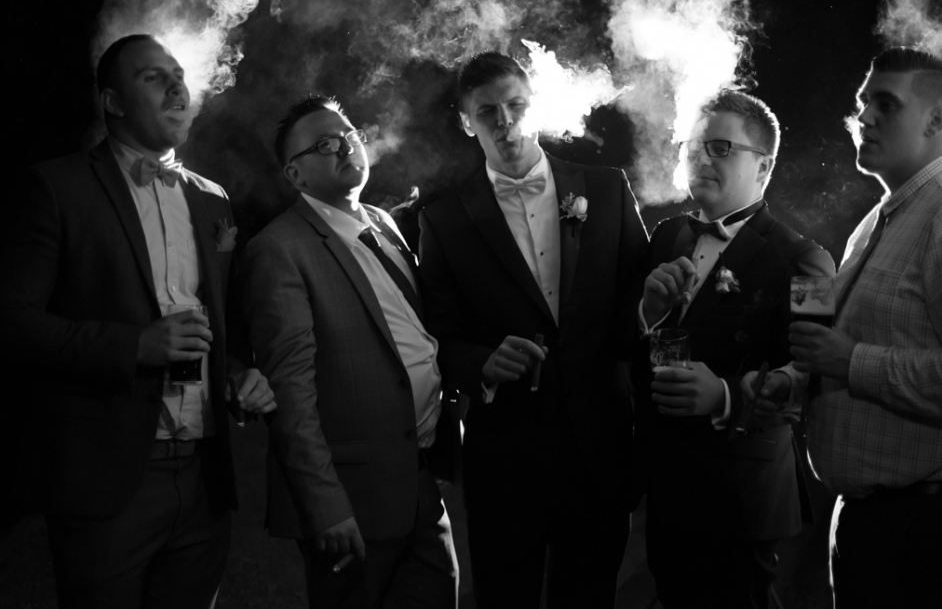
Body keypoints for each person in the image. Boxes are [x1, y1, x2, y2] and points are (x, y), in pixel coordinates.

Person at [0, 34, 276, 608]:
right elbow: (13, 322)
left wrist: (236, 373)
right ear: (113, 102)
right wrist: (133, 347)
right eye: (153, 77)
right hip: (109, 481)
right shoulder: (57, 187)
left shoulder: (212, 199)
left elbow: (217, 328)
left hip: (203, 479)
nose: (177, 85)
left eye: (178, 73)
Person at [745, 47, 942, 608]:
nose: (864, 117)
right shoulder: (884, 216)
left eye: (885, 103)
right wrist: (796, 386)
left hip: (939, 529)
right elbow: (862, 347)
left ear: (936, 120)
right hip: (891, 522)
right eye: (862, 102)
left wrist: (849, 361)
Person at [417, 52, 649, 608]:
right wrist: (481, 364)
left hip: (599, 450)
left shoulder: (607, 188)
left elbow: (636, 308)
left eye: (516, 105)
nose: (505, 122)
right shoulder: (444, 216)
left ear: (535, 105)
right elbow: (440, 338)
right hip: (506, 461)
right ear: (465, 121)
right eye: (487, 111)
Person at [243, 95, 459, 609]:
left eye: (350, 135)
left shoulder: (382, 223)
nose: (344, 146)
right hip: (353, 502)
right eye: (324, 144)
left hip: (420, 482)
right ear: (295, 175)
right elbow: (291, 394)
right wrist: (326, 507)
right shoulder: (280, 250)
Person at [635, 91, 835, 608]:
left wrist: (725, 397)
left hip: (740, 495)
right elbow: (629, 345)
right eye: (695, 145)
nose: (700, 158)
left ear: (763, 165)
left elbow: (815, 375)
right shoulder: (666, 235)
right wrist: (647, 314)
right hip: (665, 485)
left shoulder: (810, 260)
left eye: (721, 147)